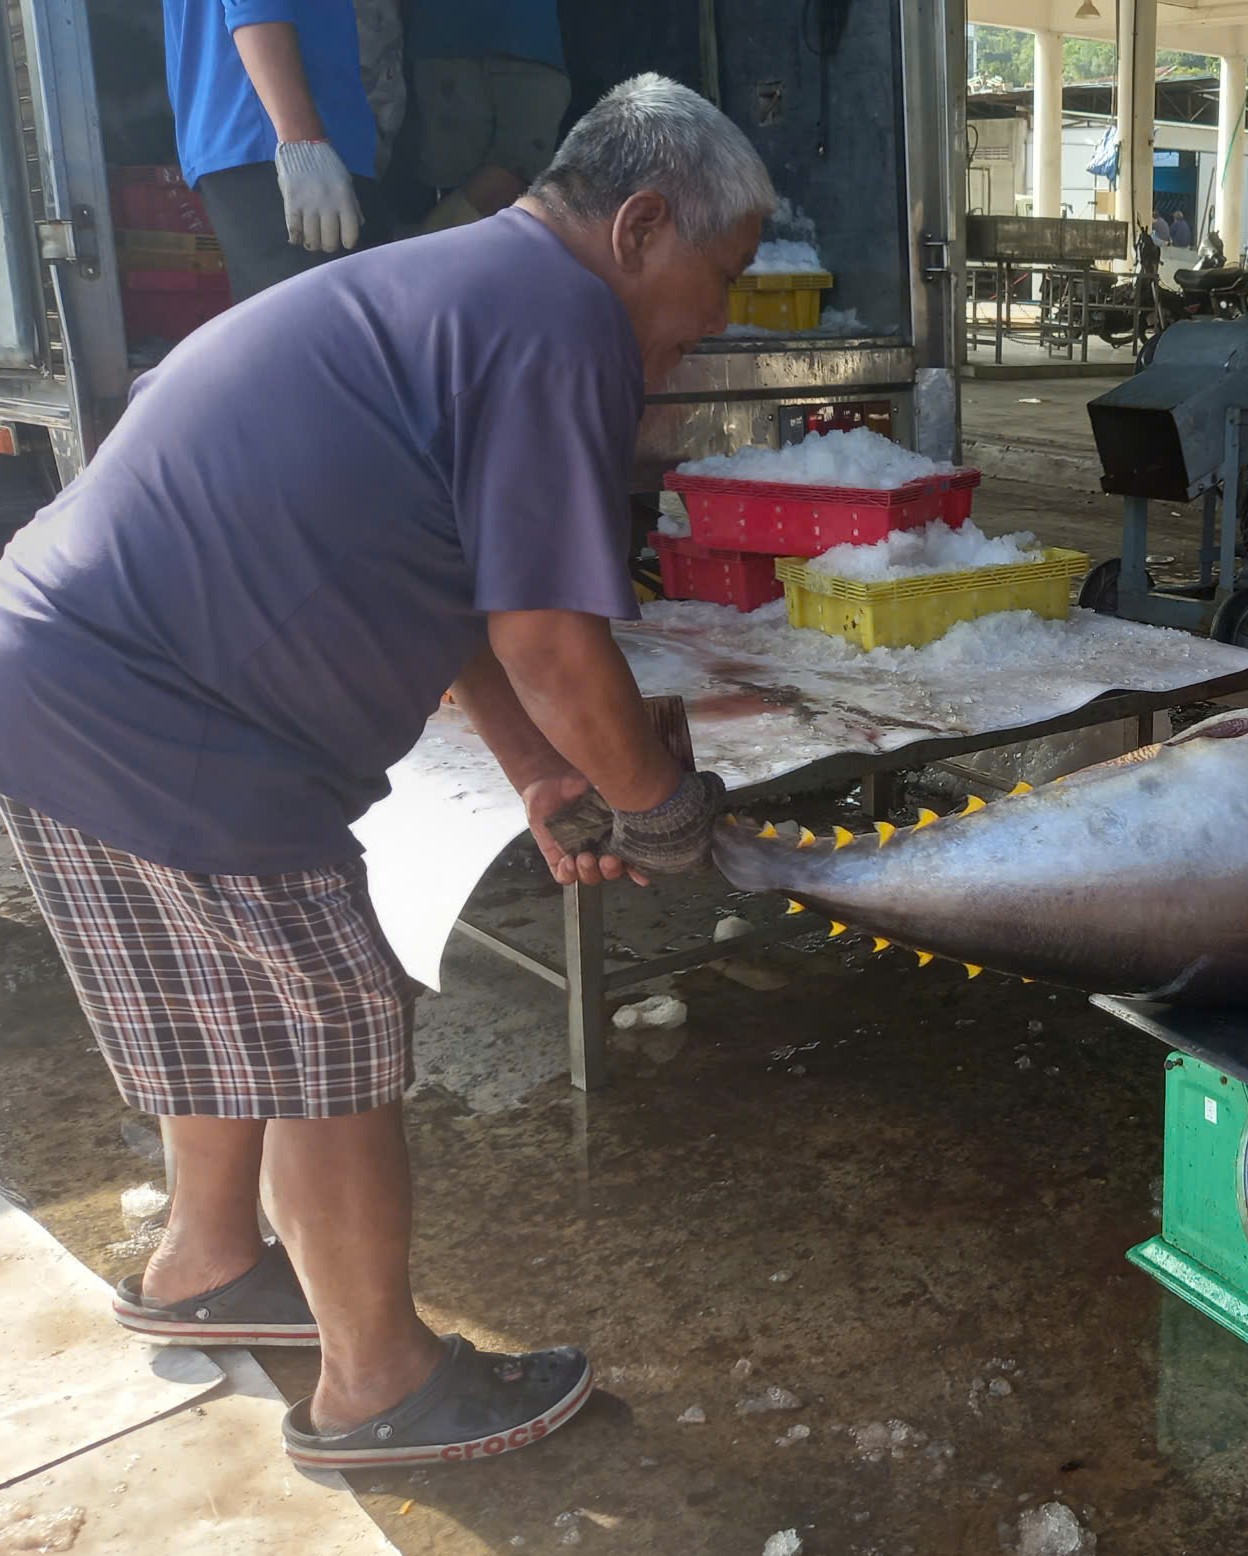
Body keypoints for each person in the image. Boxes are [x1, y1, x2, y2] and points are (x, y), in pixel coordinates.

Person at [0, 74, 773, 1467]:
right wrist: (664, 814)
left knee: (229, 999)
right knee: (330, 1027)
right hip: (180, 717)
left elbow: (472, 590)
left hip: (48, 672)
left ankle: (207, 1263)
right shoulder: (558, 321)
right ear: (641, 226)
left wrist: (541, 775)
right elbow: (545, 629)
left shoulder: (455, 288)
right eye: (719, 277)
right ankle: (378, 1384)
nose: (714, 318)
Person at [163, 0, 379, 299]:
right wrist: (303, 142)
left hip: (253, 135)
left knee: (289, 329)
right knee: (321, 329)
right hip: (282, 141)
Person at [409, 0, 572, 230]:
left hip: (504, 41)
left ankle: (406, 257)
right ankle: (407, 258)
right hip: (478, 42)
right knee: (507, 178)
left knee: (509, 182)